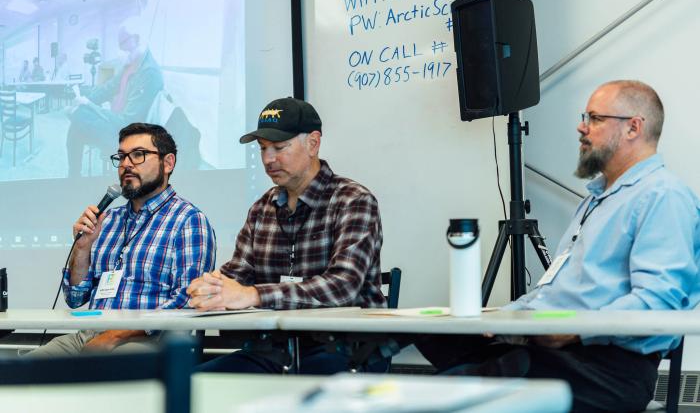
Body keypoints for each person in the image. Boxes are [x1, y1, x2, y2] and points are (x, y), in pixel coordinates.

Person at [415, 80, 700, 413]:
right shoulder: (598, 199)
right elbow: (551, 293)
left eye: (594, 118)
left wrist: (573, 331)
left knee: (449, 395)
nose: (582, 127)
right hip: (558, 353)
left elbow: (657, 305)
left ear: (633, 127)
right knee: (441, 340)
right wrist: (503, 320)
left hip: (606, 371)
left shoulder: (662, 197)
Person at [187, 97, 387, 373]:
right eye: (263, 149)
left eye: (279, 147)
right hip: (273, 350)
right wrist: (214, 288)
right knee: (189, 385)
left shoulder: (353, 200)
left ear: (313, 143)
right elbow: (238, 274)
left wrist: (254, 295)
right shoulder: (261, 209)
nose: (268, 159)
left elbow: (343, 286)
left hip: (343, 350)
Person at [30, 123, 216, 356]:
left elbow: (188, 300)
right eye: (121, 156)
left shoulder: (188, 220)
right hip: (89, 336)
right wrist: (82, 248)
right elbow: (75, 298)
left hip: (150, 342)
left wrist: (117, 334)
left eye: (138, 155)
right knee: (16, 377)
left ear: (168, 163)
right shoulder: (107, 220)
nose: (126, 164)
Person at [66, 16, 163, 177]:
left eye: (122, 43)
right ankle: (73, 175)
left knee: (77, 116)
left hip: (128, 135)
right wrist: (85, 99)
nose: (120, 49)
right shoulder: (131, 64)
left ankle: (73, 176)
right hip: (117, 123)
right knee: (77, 120)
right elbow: (108, 88)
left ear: (136, 38)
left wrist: (89, 106)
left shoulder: (148, 73)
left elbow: (129, 121)